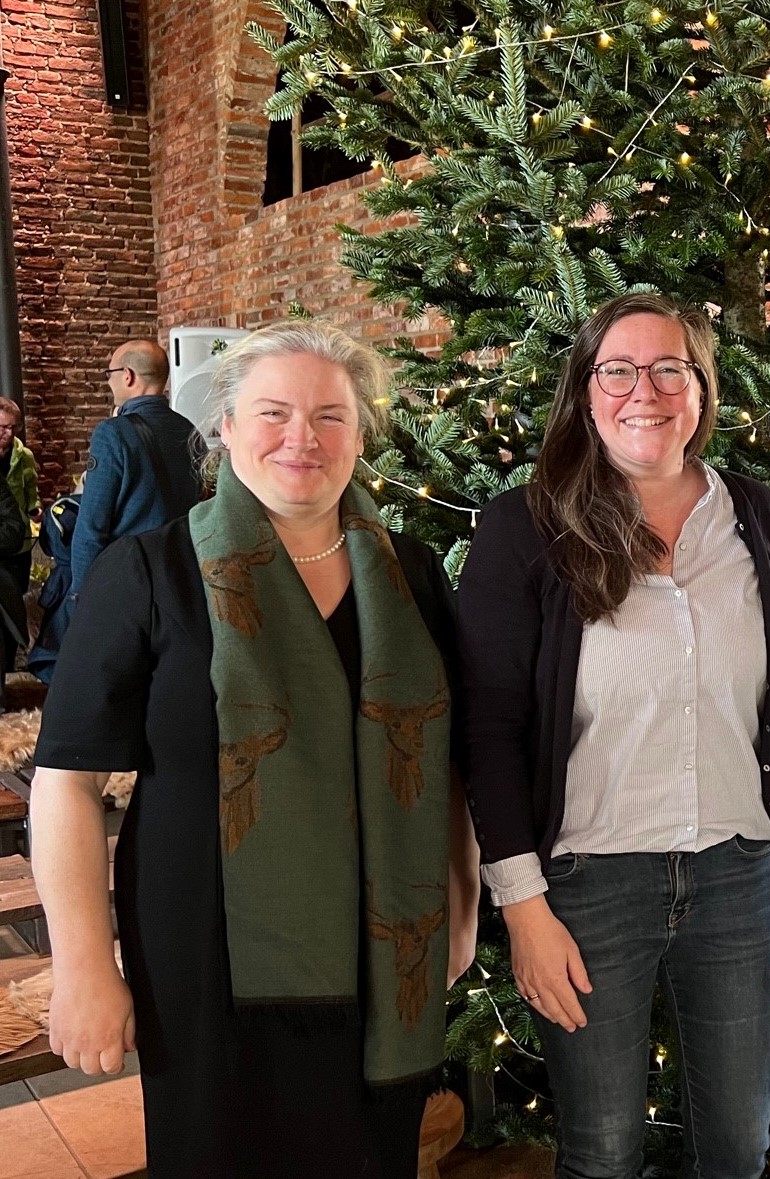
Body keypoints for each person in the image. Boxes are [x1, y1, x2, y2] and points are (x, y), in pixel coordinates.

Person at [30, 320, 479, 1179]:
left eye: (330, 416)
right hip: (204, 956)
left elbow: (446, 761)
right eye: (273, 412)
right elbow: (68, 782)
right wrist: (83, 964)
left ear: (359, 432)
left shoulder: (412, 573)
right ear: (227, 427)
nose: (301, 438)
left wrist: (458, 902)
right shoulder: (149, 572)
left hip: (383, 954)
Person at [458, 293, 770, 1179]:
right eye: (617, 369)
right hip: (587, 885)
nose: (642, 390)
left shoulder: (755, 515)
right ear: (584, 390)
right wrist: (522, 906)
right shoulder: (525, 525)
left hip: (736, 877)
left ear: (700, 389)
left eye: (669, 369)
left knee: (738, 1147)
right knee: (602, 1152)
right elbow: (488, 729)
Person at [72, 338, 204, 600]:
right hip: (181, 576)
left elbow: (92, 525)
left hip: (129, 580)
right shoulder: (189, 430)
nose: (109, 382)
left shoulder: (113, 433)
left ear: (128, 376)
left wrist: (81, 594)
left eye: (110, 374)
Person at [0, 395, 39, 590]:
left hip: (19, 538)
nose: (9, 432)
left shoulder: (24, 456)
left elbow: (31, 489)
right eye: (3, 427)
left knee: (19, 591)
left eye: (13, 427)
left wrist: (35, 510)